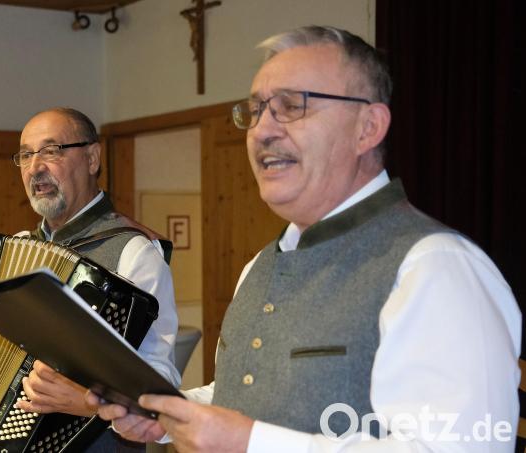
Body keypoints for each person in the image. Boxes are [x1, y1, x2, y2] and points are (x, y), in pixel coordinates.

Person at [90, 25, 521, 452]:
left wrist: (250, 443)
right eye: (255, 110)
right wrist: (167, 414)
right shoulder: (259, 267)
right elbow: (240, 396)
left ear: (368, 127)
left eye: (292, 106)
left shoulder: (438, 267)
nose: (262, 130)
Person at [0, 107, 181, 451]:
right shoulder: (13, 252)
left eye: (52, 151)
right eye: (26, 155)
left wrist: (89, 399)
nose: (35, 167)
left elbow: (162, 381)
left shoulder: (134, 251)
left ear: (92, 158)